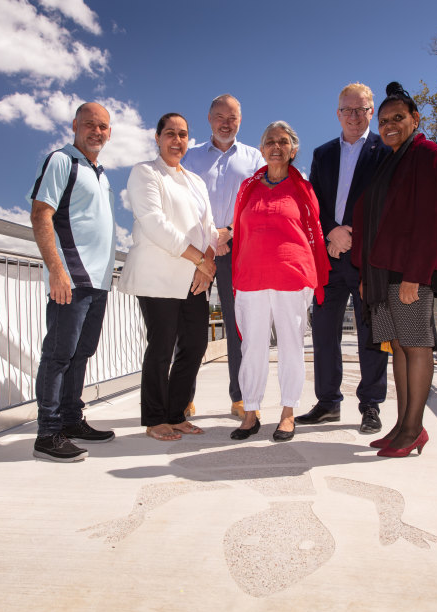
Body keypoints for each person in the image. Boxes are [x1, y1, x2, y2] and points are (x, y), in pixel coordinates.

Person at [351, 82, 437, 457]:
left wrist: (415, 275)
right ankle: (401, 426)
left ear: (415, 119)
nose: (389, 125)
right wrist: (364, 276)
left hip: (411, 271)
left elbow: (430, 220)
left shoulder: (429, 155)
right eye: (384, 121)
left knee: (416, 346)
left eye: (398, 118)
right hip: (382, 271)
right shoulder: (388, 161)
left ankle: (414, 430)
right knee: (400, 350)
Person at [296, 83, 390, 434]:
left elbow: (388, 206)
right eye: (347, 110)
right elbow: (312, 204)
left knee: (370, 334)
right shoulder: (322, 154)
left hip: (368, 260)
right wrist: (332, 233)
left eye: (361, 109)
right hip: (329, 258)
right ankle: (328, 403)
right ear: (337, 113)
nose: (353, 115)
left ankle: (370, 405)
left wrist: (352, 237)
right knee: (323, 332)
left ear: (371, 112)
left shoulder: (385, 152)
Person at [119, 113, 218, 441]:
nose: (177, 140)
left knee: (195, 345)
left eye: (183, 135)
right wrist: (198, 259)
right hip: (158, 274)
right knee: (161, 346)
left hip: (194, 278)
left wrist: (209, 260)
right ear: (158, 138)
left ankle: (176, 413)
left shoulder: (196, 181)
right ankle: (155, 417)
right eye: (171, 134)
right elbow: (153, 222)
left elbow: (209, 229)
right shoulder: (145, 172)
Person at [230, 121, 330, 442]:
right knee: (253, 347)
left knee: (291, 346)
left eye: (283, 141)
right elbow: (241, 233)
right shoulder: (248, 188)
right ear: (261, 150)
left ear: (293, 149)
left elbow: (314, 231)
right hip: (251, 277)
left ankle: (288, 413)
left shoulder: (303, 190)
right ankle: (251, 412)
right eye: (270, 141)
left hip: (292, 276)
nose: (276, 146)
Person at [30, 102, 116, 462]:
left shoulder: (101, 172)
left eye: (103, 127)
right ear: (74, 126)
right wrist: (57, 270)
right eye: (90, 125)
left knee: (81, 353)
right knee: (58, 354)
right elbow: (40, 213)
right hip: (72, 277)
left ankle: (70, 419)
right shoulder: (62, 161)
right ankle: (48, 433)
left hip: (97, 282)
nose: (97, 131)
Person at [183, 94, 265, 420]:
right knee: (189, 326)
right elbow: (181, 203)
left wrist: (228, 230)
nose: (225, 122)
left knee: (237, 326)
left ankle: (240, 397)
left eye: (232, 117)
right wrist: (208, 239)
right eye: (220, 116)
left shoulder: (254, 158)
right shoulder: (189, 158)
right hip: (197, 253)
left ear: (240, 120)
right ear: (209, 118)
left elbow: (260, 204)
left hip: (237, 249)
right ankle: (183, 396)